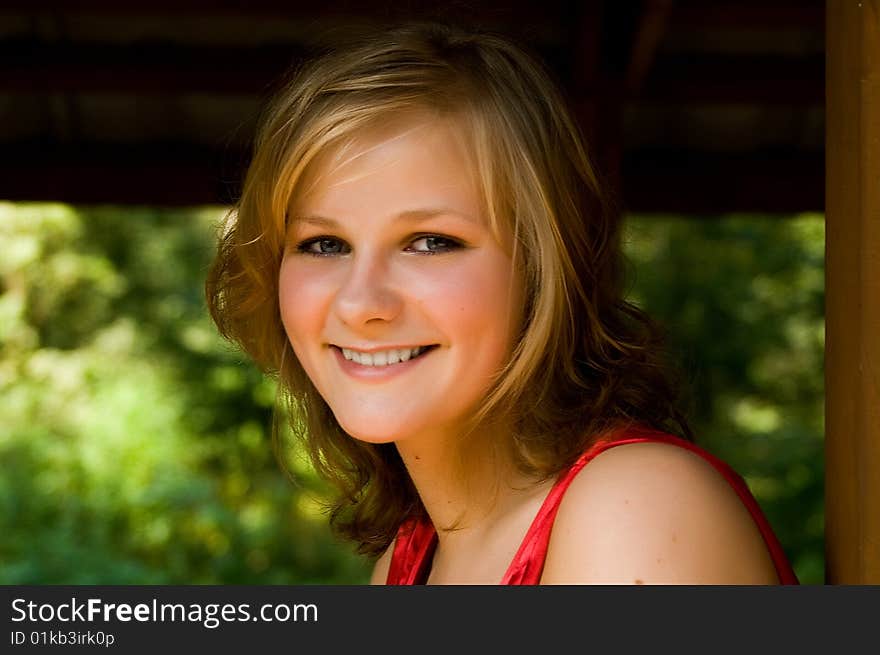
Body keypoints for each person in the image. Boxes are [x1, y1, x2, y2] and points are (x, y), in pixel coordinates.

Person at [205, 21, 799, 585]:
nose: (361, 303)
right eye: (323, 243)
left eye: (431, 242)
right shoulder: (407, 562)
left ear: (543, 268)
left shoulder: (635, 507)